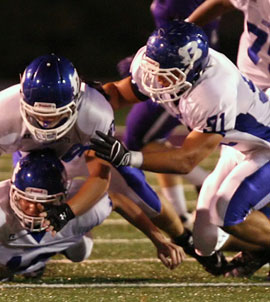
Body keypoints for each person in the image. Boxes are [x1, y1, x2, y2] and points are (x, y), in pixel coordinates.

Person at [0, 53, 218, 274]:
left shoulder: (95, 112)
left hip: (77, 151)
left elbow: (101, 178)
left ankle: (187, 240)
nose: (46, 122)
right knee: (19, 207)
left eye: (55, 115)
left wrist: (68, 211)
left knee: (141, 192)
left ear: (76, 102)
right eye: (39, 114)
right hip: (32, 159)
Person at [91, 20, 270, 277]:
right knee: (204, 243)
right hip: (239, 145)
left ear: (193, 69)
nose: (157, 79)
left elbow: (186, 160)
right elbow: (120, 94)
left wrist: (128, 157)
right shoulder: (153, 65)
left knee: (227, 211)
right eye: (155, 70)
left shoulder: (214, 90)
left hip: (265, 145)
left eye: (168, 73)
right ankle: (263, 248)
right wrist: (87, 100)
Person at [0, 150, 183, 281]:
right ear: (13, 191)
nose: (31, 208)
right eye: (25, 199)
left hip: (64, 234)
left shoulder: (79, 212)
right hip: (6, 241)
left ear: (61, 199)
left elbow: (120, 200)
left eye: (41, 203)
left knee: (81, 253)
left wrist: (157, 239)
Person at [117, 0, 221, 229]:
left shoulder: (180, 3)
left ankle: (206, 183)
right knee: (147, 141)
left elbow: (185, 42)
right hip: (166, 74)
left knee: (140, 143)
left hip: (178, 82)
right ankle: (182, 215)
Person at [186, 0, 270, 277]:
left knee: (230, 203)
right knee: (215, 214)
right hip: (248, 94)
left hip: (252, 99)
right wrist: (186, 27)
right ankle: (261, 247)